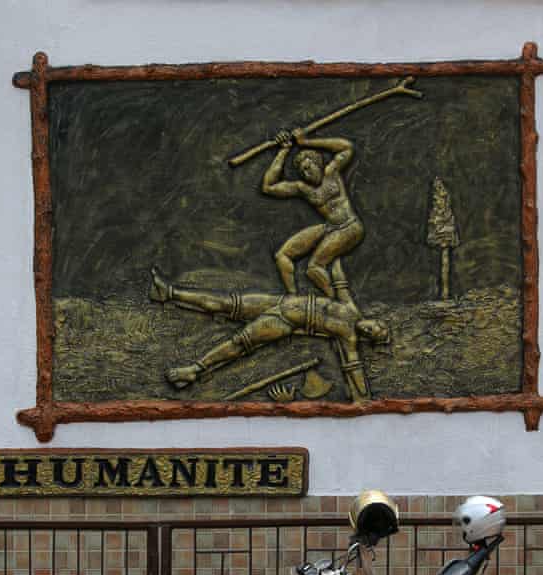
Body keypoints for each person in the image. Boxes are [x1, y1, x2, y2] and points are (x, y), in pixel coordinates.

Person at [149, 261, 389, 401]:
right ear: (374, 320)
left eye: (374, 335)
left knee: (238, 343)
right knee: (225, 303)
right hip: (277, 301)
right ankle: (169, 293)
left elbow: (354, 369)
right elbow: (338, 273)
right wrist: (335, 241)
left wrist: (363, 398)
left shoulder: (348, 337)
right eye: (376, 326)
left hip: (283, 323)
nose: (371, 330)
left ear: (369, 339)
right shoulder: (350, 305)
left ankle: (193, 371)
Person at [261, 129, 365, 298]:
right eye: (302, 172)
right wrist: (283, 151)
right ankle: (292, 297)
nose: (306, 174)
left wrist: (305, 142)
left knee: (314, 267)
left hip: (349, 227)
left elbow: (347, 147)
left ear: (318, 163)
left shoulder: (332, 172)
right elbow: (268, 186)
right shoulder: (303, 188)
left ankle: (335, 301)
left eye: (309, 168)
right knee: (283, 254)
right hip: (331, 227)